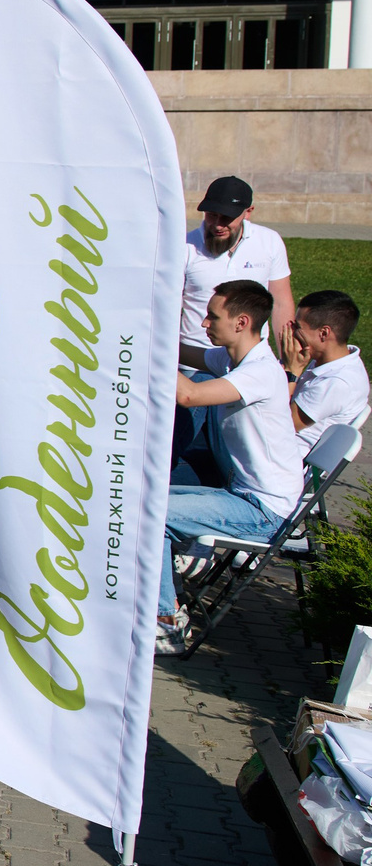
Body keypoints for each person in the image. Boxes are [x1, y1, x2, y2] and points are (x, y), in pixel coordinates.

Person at [161, 279, 306, 650]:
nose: (204, 323)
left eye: (212, 317)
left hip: (264, 510)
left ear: (241, 322)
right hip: (243, 495)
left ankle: (167, 620)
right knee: (147, 498)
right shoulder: (229, 358)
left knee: (151, 512)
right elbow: (180, 352)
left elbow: (189, 394)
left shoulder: (259, 371)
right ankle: (163, 596)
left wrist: (146, 341)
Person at [179, 176, 293, 348]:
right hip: (196, 357)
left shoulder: (269, 241)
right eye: (212, 215)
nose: (217, 225)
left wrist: (287, 361)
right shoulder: (185, 246)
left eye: (226, 217)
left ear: (248, 212)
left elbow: (281, 303)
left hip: (251, 357)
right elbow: (167, 306)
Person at [286, 289, 367, 449]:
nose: (291, 331)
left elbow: (280, 425)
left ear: (323, 333)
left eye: (298, 326)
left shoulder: (336, 383)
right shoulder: (330, 360)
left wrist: (292, 372)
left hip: (281, 463)